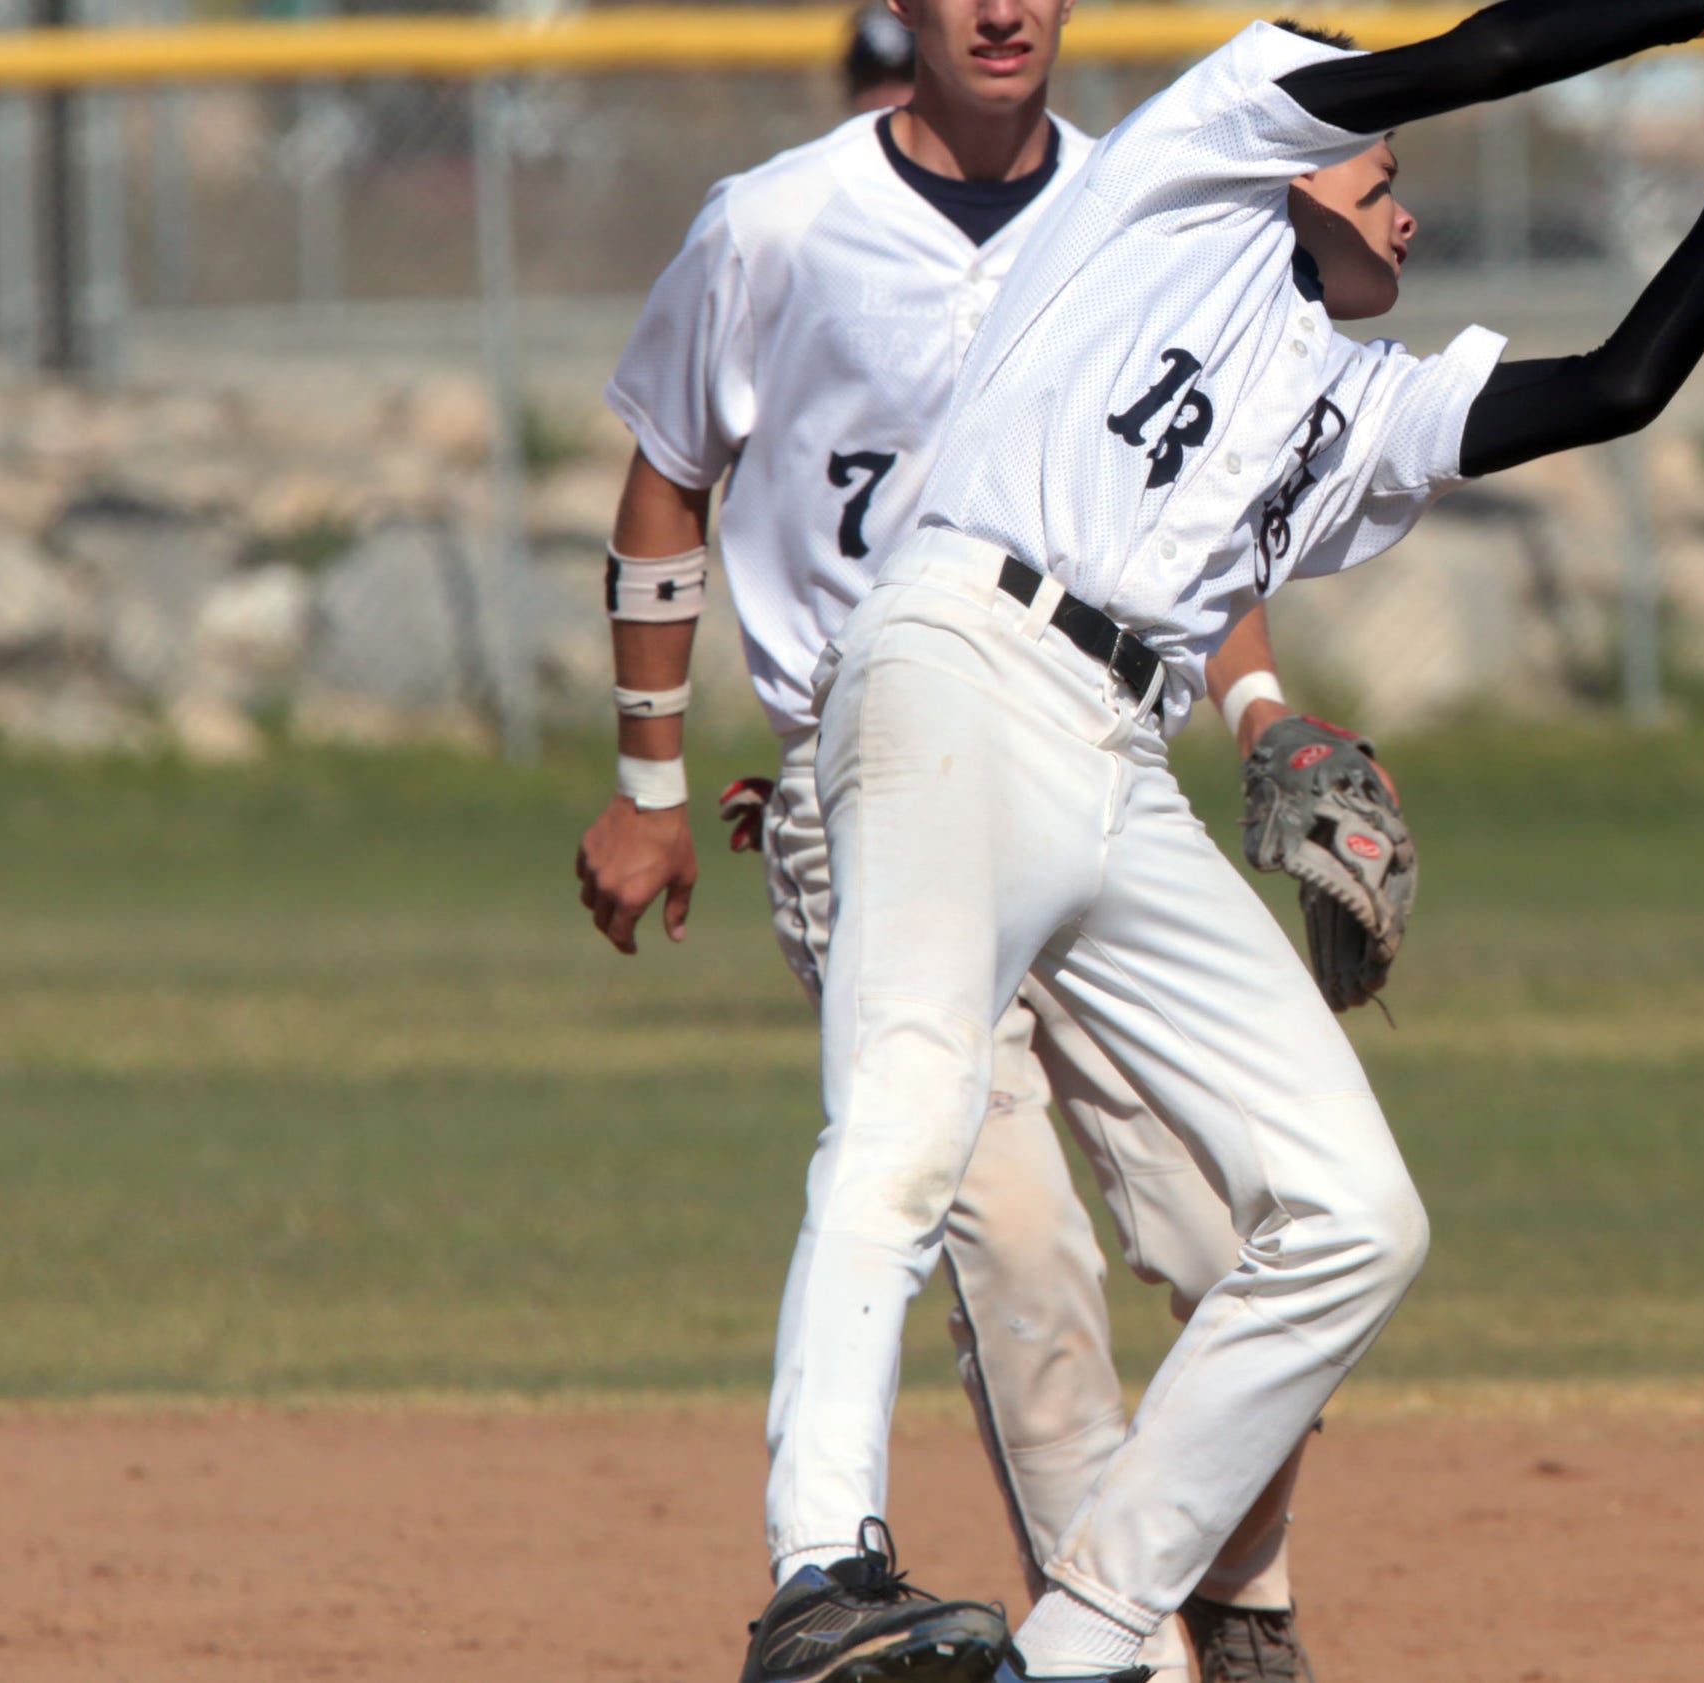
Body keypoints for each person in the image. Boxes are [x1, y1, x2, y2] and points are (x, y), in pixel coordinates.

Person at [783, 3, 1704, 1679]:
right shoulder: (1195, 170)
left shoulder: (1360, 410)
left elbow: (1621, 385)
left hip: (1124, 757)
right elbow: (1471, 56)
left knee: (1356, 1214)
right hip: (962, 651)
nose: (1405, 204)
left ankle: (1081, 1647)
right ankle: (818, 1575)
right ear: (1295, 161)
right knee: (909, 1117)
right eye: (1381, 170)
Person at [571, 2, 1350, 1679]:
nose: (1001, 8)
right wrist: (648, 785)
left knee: (1248, 1239)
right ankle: (1117, 1666)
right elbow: (664, 472)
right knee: (1021, 1264)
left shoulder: (1142, 200)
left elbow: (1186, 502)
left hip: (1091, 764)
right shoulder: (773, 223)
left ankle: (1235, 1604)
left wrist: (1264, 706)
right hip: (877, 792)